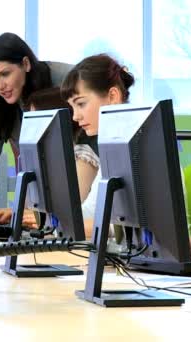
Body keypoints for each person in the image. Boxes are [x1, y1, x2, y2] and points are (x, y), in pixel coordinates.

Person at [0, 32, 72, 212]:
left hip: (81, 179)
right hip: (36, 187)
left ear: (26, 64)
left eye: (4, 74)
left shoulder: (68, 79)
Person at [60, 54, 135, 236]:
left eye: (81, 104)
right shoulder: (115, 146)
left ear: (112, 96)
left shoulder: (136, 147)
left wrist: (60, 225)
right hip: (119, 255)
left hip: (140, 260)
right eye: (72, 107)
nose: (75, 116)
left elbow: (126, 228)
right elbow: (92, 211)